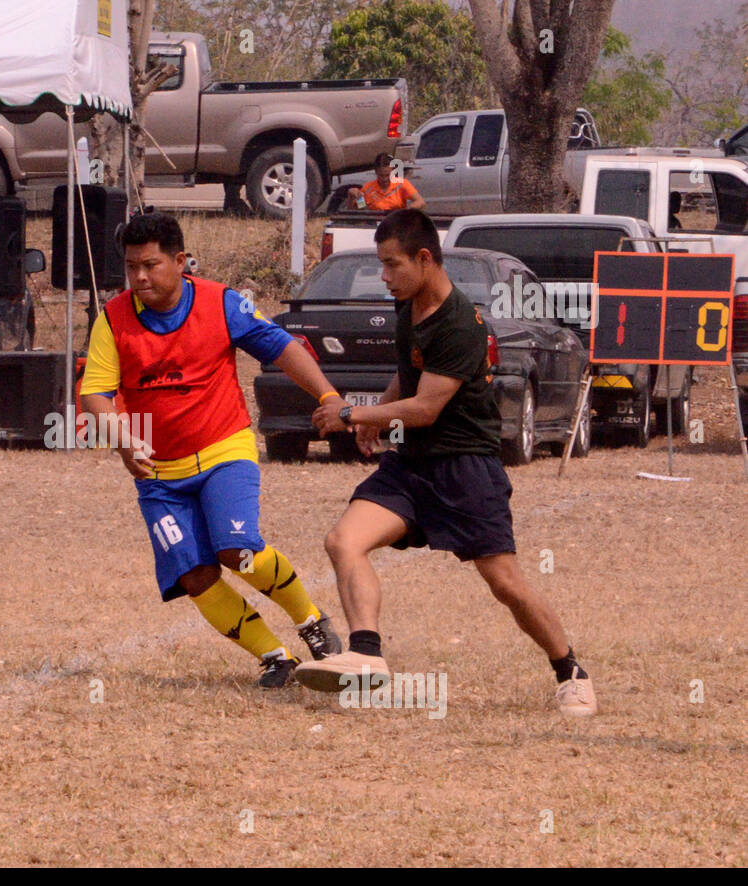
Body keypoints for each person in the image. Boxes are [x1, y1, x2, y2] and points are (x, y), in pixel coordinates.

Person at [306, 209, 596, 717]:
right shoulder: (407, 307)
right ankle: (367, 656)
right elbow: (408, 379)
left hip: (466, 469)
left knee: (505, 583)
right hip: (413, 466)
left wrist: (353, 412)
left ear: (424, 258)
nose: (385, 277)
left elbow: (427, 407)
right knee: (343, 541)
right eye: (381, 265)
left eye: (393, 265)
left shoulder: (461, 322)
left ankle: (570, 670)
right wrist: (377, 419)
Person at [79, 211, 345, 689]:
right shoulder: (113, 318)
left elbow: (282, 348)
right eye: (131, 267)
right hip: (159, 473)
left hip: (225, 447)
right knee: (195, 574)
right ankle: (274, 657)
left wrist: (327, 396)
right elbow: (94, 393)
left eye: (151, 265)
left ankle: (310, 620)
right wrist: (121, 436)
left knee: (237, 551)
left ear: (180, 261)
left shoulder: (221, 302)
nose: (139, 277)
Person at [348, 153, 426, 212]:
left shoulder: (401, 184)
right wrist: (352, 197)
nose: (384, 179)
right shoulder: (367, 188)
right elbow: (360, 210)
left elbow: (420, 202)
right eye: (381, 175)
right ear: (376, 172)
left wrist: (406, 211)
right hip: (375, 223)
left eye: (388, 175)